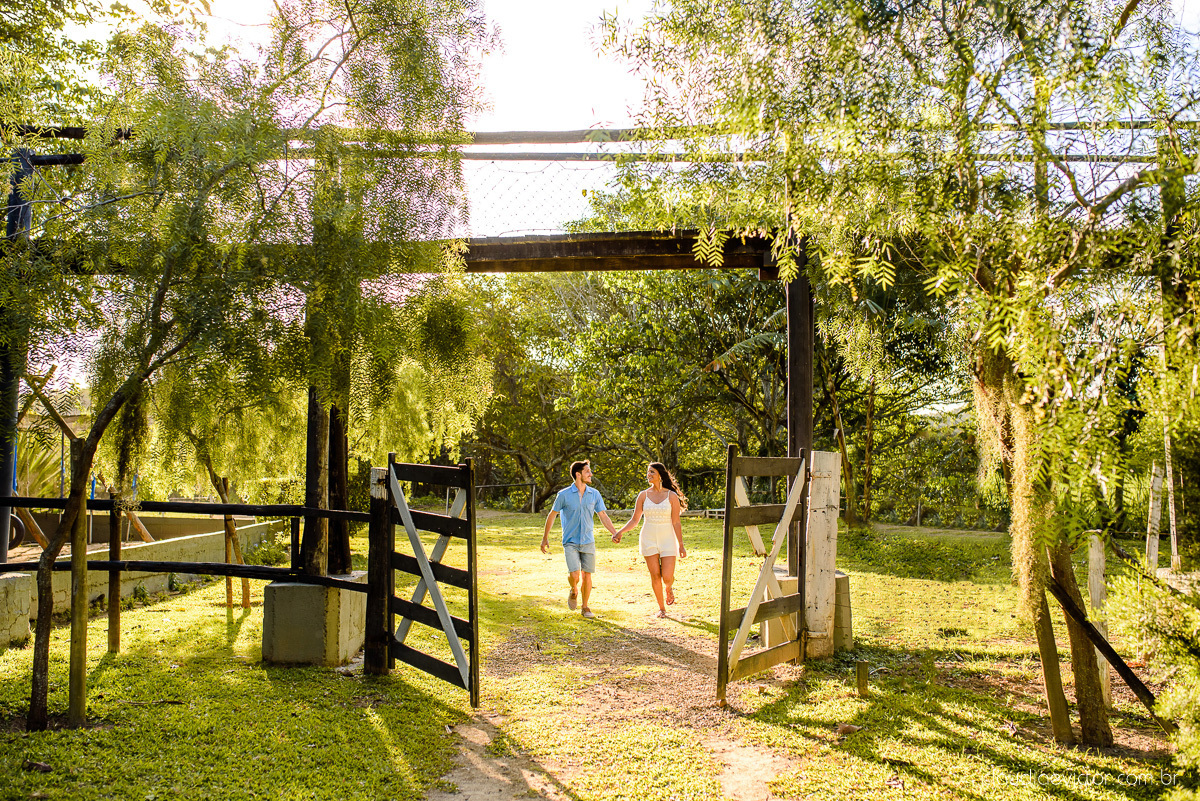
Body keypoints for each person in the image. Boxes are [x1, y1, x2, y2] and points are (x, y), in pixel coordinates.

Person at [541, 460, 619, 619]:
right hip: (570, 541)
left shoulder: (594, 494)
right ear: (578, 474)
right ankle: (573, 589)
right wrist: (545, 538)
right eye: (587, 471)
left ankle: (585, 607)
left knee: (587, 575)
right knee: (575, 575)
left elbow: (603, 515)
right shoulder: (563, 495)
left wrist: (614, 532)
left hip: (588, 540)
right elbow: (552, 515)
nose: (591, 474)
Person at [612, 462, 687, 618]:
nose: (649, 475)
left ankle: (669, 587)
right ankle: (662, 608)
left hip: (667, 539)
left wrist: (681, 545)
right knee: (655, 575)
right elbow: (635, 520)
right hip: (648, 538)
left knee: (667, 576)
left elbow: (676, 522)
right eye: (648, 472)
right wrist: (620, 532)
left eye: (652, 472)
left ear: (660, 474)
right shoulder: (643, 495)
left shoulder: (671, 496)